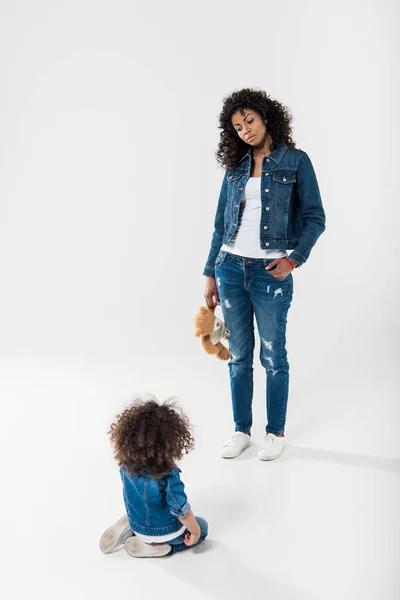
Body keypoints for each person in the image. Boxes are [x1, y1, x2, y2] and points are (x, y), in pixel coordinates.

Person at [203, 89, 326, 461]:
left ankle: (275, 432)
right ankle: (241, 430)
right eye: (238, 127)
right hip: (230, 268)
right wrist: (211, 272)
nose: (245, 131)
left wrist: (293, 260)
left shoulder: (296, 161)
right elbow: (219, 225)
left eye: (250, 121)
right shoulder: (235, 169)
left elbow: (315, 218)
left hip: (269, 274)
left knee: (273, 356)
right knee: (238, 356)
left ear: (266, 117)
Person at [99, 396, 208, 558]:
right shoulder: (168, 474)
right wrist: (195, 532)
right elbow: (182, 512)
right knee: (203, 526)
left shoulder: (125, 466)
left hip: (138, 523)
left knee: (142, 504)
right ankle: (164, 548)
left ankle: (132, 526)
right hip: (164, 532)